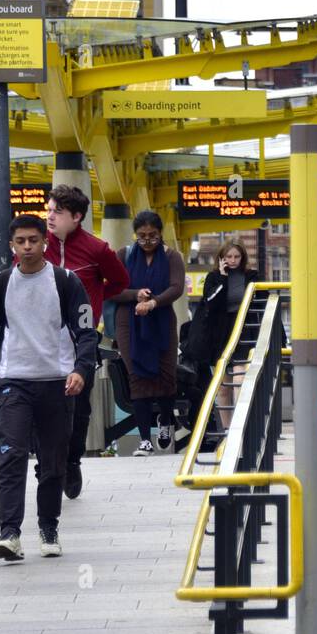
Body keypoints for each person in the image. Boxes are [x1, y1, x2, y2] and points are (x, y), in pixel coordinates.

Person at [0, 215, 98, 563]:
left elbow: (87, 331)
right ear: (12, 245)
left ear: (45, 243)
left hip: (57, 384)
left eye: (33, 241)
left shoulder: (66, 282)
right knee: (10, 457)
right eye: (20, 241)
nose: (27, 247)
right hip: (14, 384)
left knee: (53, 464)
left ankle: (48, 527)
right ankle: (9, 533)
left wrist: (81, 370)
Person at [43, 184, 130, 499]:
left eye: (58, 212)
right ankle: (47, 461)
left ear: (77, 217)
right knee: (44, 403)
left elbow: (120, 281)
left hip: (82, 339)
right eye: (49, 209)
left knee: (78, 408)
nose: (50, 216)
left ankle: (71, 461)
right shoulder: (37, 246)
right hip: (43, 340)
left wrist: (93, 300)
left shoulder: (97, 249)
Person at [112, 210, 186, 455]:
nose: (147, 241)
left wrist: (153, 302)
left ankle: (165, 421)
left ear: (161, 233)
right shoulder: (124, 255)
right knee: (137, 376)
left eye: (152, 235)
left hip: (162, 319)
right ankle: (144, 440)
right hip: (129, 323)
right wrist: (136, 295)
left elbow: (176, 288)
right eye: (141, 236)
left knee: (166, 375)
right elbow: (111, 289)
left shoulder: (172, 256)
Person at [195, 242, 259, 428]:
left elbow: (262, 301)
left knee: (239, 380)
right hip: (220, 333)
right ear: (222, 259)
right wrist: (223, 278)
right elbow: (211, 303)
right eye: (228, 257)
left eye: (236, 257)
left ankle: (241, 427)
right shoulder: (213, 277)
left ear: (242, 258)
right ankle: (226, 430)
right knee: (223, 389)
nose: (232, 260)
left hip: (244, 330)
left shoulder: (251, 276)